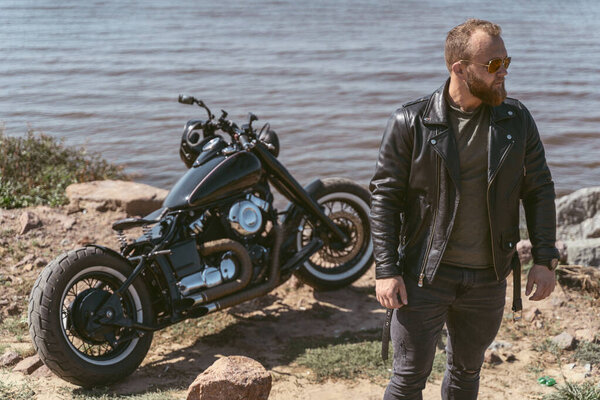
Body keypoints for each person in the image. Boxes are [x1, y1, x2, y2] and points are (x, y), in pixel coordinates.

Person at [369, 18, 560, 400]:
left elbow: (539, 190)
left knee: (466, 373)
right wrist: (386, 270)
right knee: (407, 379)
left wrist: (544, 257)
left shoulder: (516, 120)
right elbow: (384, 197)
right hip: (424, 275)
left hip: (488, 277)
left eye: (507, 62)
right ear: (459, 68)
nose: (503, 72)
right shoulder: (411, 121)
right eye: (493, 65)